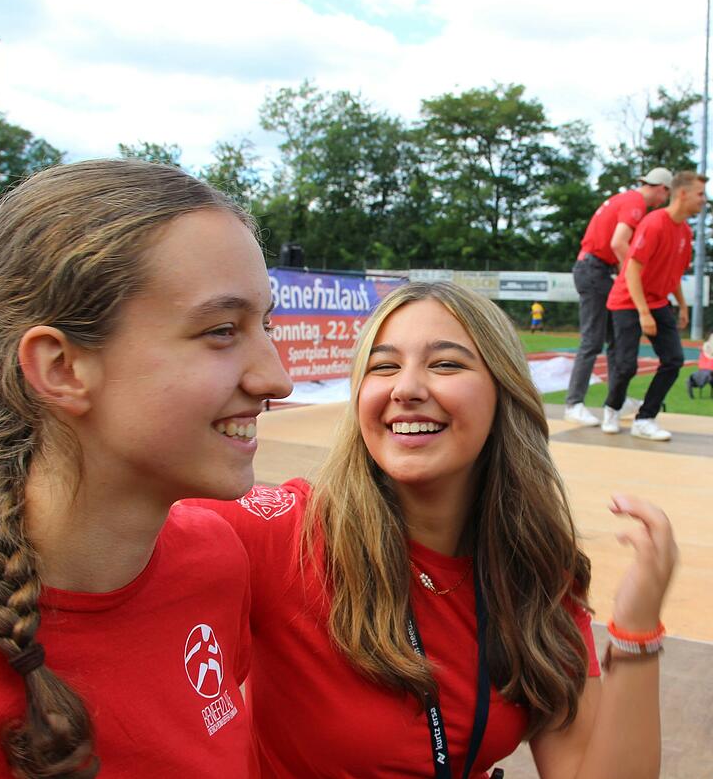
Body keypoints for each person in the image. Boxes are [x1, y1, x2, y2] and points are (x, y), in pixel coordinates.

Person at [179, 281, 677, 778]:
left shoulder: (536, 571)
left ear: (504, 394)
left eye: (445, 364)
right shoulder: (283, 532)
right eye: (384, 366)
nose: (406, 388)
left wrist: (637, 631)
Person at [0, 159, 292, 776]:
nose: (277, 379)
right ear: (61, 368)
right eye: (220, 330)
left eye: (264, 324)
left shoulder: (216, 560)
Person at [602, 170, 707, 440]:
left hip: (658, 301)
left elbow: (672, 275)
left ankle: (645, 418)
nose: (704, 200)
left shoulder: (685, 232)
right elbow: (632, 270)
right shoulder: (654, 223)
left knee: (674, 360)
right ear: (681, 194)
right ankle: (612, 408)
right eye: (700, 194)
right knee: (626, 366)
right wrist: (643, 313)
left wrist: (683, 306)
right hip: (627, 300)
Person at [564, 168, 672, 427]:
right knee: (593, 340)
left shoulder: (624, 199)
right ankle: (574, 403)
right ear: (662, 189)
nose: (662, 203)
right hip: (595, 269)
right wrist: (630, 275)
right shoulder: (635, 203)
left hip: (596, 269)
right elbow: (618, 242)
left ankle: (616, 399)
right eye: (665, 196)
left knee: (614, 339)